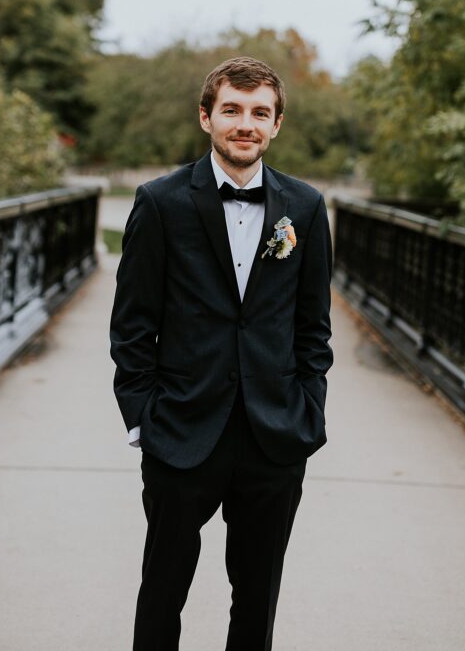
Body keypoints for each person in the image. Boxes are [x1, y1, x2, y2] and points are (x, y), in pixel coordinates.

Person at [110, 58, 333, 650]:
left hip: (275, 435)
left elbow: (314, 328)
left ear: (276, 125)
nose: (245, 124)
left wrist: (309, 408)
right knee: (163, 589)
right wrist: (142, 420)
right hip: (181, 431)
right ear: (206, 117)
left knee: (257, 599)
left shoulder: (305, 208)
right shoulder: (160, 203)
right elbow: (131, 326)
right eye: (232, 109)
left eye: (260, 112)